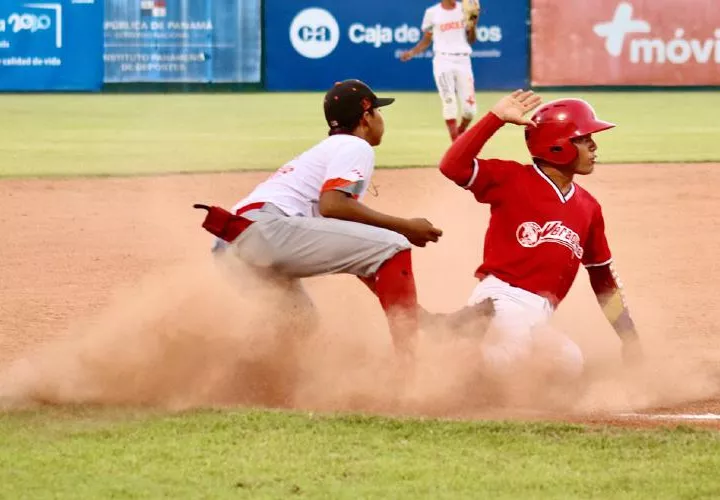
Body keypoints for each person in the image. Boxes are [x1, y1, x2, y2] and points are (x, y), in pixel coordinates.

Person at [193, 79, 443, 359]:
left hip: (230, 247)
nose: (381, 118)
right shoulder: (354, 146)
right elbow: (332, 205)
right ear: (366, 116)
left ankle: (240, 378)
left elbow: (364, 259)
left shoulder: (327, 151)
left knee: (301, 327)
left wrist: (425, 319)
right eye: (379, 111)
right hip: (264, 230)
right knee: (395, 244)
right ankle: (409, 374)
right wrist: (406, 227)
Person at [436, 89, 642, 380]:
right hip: (500, 299)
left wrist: (629, 337)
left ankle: (465, 346)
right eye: (584, 139)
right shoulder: (512, 179)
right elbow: (452, 166)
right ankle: (447, 343)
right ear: (558, 146)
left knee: (569, 363)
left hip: (537, 316)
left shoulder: (588, 207)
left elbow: (603, 280)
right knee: (508, 362)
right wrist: (495, 118)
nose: (594, 146)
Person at [400, 0, 479, 142]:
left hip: (463, 60)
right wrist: (412, 53)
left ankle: (460, 133)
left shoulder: (465, 9)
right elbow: (426, 40)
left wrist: (473, 24)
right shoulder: (432, 13)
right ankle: (456, 144)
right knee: (449, 102)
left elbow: (472, 39)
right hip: (443, 60)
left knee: (470, 110)